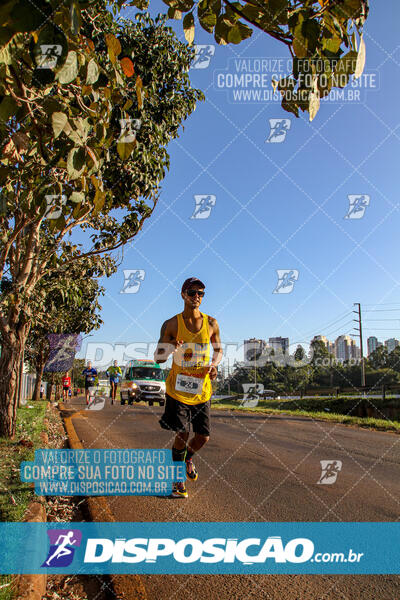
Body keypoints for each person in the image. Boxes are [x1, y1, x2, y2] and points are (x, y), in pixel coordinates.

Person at [154, 277, 222, 498]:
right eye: (192, 292)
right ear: (182, 294)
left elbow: (219, 350)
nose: (197, 297)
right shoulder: (171, 324)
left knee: (203, 437)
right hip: (178, 389)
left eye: (201, 293)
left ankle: (188, 458)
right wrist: (170, 346)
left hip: (202, 389)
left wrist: (214, 364)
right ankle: (177, 481)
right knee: (182, 433)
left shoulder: (211, 323)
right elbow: (158, 358)